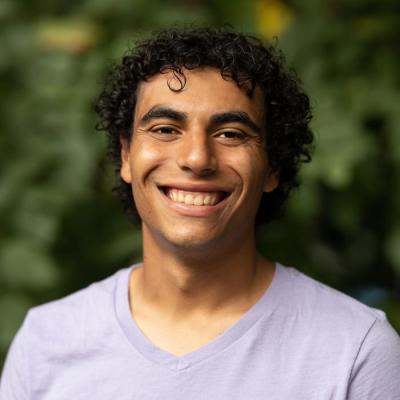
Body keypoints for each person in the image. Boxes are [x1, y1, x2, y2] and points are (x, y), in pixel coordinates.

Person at [1, 26, 399, 400]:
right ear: (126, 155)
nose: (196, 158)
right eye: (165, 129)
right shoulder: (47, 341)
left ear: (272, 167)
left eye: (230, 134)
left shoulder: (355, 350)